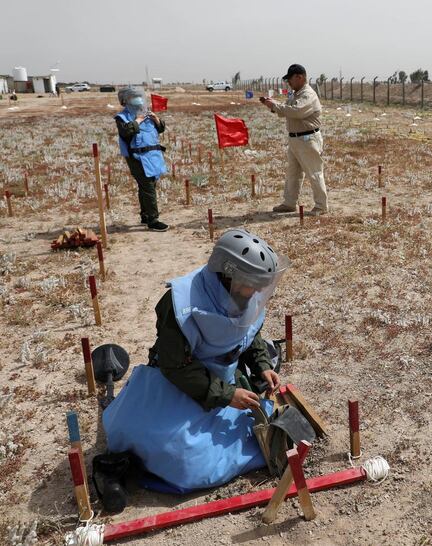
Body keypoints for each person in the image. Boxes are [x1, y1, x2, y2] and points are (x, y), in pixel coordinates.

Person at [102, 229, 293, 497]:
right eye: (254, 283)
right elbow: (175, 366)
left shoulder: (244, 294)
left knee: (242, 433)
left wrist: (262, 364)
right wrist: (227, 395)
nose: (259, 290)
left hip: (224, 382)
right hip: (177, 383)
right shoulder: (181, 304)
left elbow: (249, 335)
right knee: (181, 459)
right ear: (229, 276)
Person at [261, 64, 328, 216]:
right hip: (296, 139)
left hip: (308, 138)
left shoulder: (308, 95)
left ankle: (321, 206)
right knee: (293, 173)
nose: (288, 83)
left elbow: (296, 111)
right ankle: (289, 203)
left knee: (314, 172)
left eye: (290, 79)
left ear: (300, 77)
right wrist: (273, 106)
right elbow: (287, 109)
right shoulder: (295, 94)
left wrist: (275, 106)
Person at [115, 87, 169, 231]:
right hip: (136, 157)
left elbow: (161, 129)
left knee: (147, 186)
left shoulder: (146, 113)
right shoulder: (122, 118)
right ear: (125, 100)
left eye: (139, 97)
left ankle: (145, 215)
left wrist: (156, 119)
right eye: (134, 97)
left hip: (153, 156)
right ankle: (153, 220)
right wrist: (137, 121)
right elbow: (126, 132)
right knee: (148, 187)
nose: (138, 100)